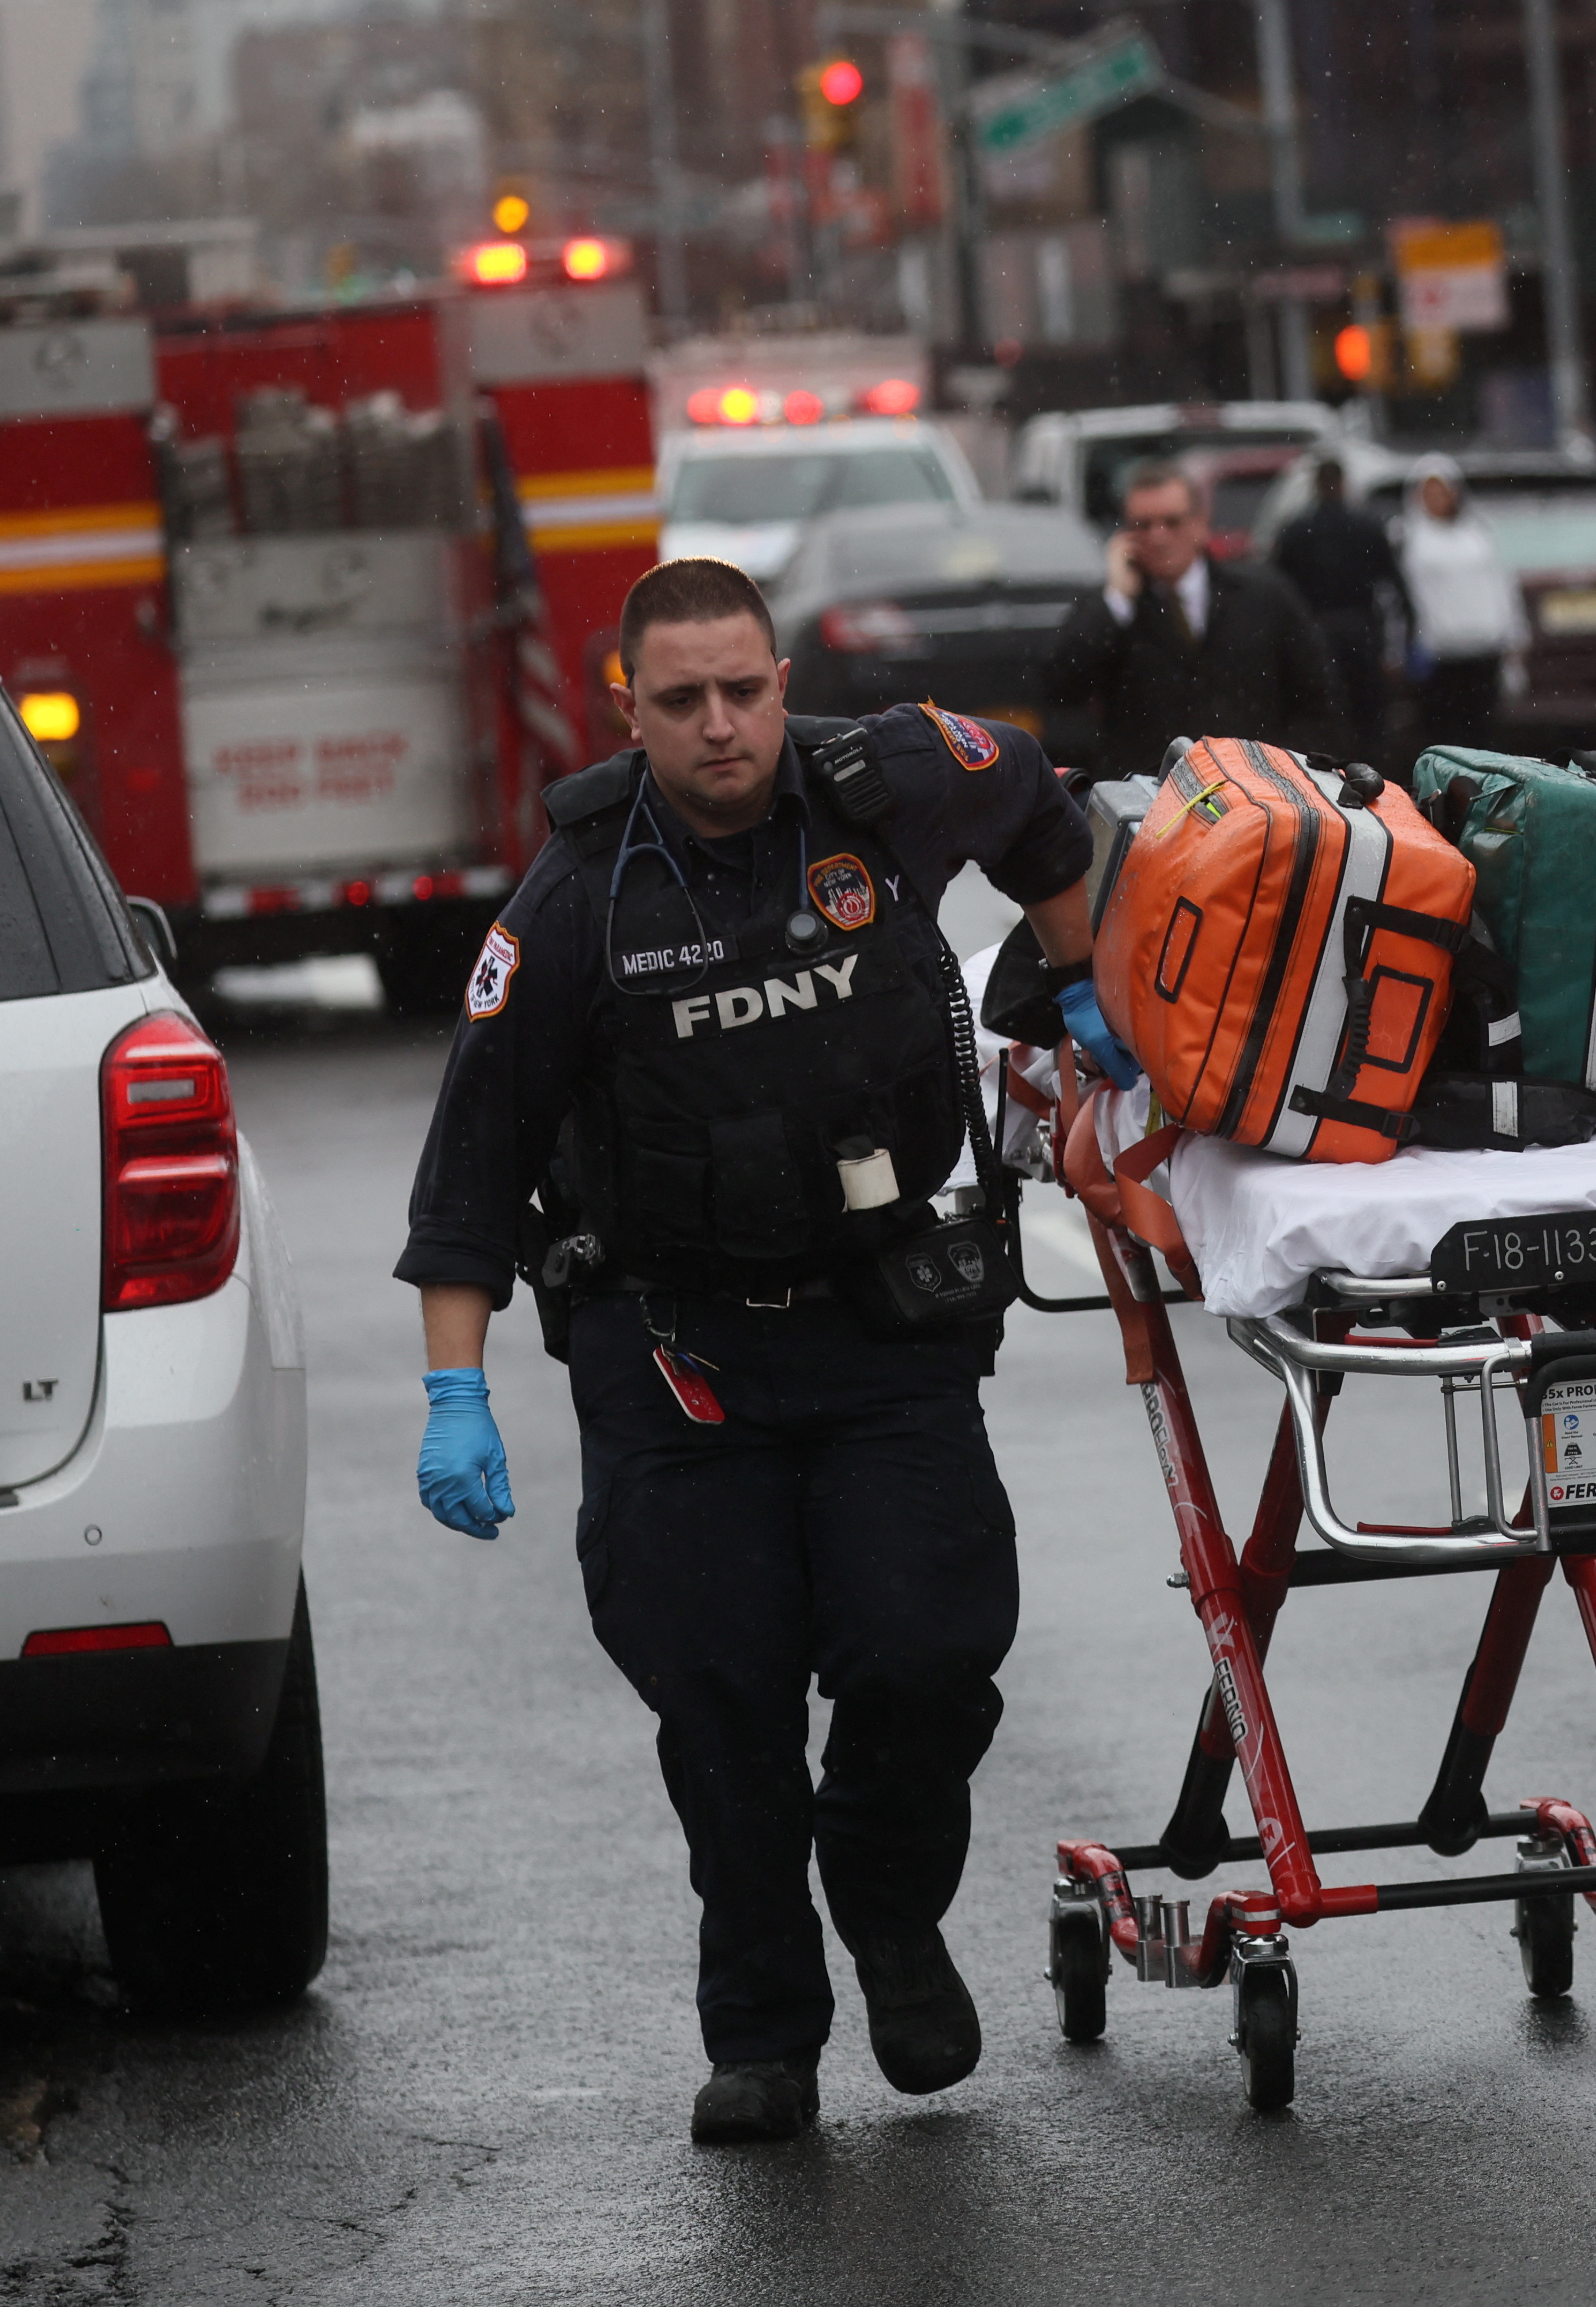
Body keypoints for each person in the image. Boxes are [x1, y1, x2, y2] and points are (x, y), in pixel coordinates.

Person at [396, 558, 1138, 2146]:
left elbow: (1045, 817)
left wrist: (1079, 981)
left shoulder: (895, 784)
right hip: (676, 1360)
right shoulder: (575, 901)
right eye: (682, 702)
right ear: (628, 707)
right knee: (723, 1707)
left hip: (883, 1328)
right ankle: (764, 2034)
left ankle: (887, 1905)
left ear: (783, 680)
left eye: (745, 690)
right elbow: (468, 1176)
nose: (721, 727)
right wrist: (456, 1392)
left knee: (924, 1660)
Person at [1046, 458, 1351, 780]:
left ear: (1201, 523)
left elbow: (1321, 700)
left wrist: (1280, 771)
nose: (1159, 537)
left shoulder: (1263, 595)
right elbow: (1062, 686)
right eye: (1143, 525)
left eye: (1172, 522)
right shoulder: (1114, 607)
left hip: (1255, 796)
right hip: (1151, 801)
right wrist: (1119, 598)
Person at [1271, 453, 1403, 764]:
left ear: (1316, 486)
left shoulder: (1297, 531)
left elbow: (1280, 590)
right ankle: (1374, 778)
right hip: (1362, 632)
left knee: (1326, 714)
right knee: (1369, 717)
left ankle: (1330, 778)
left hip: (1316, 633)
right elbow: (1395, 585)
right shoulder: (1367, 527)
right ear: (1343, 484)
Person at [1394, 452, 1526, 754]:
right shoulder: (1408, 538)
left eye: (1443, 490)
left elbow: (1502, 587)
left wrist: (1514, 638)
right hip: (1440, 658)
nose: (1437, 498)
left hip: (1483, 652)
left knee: (1482, 735)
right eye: (1429, 492)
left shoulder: (1477, 534)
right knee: (1444, 737)